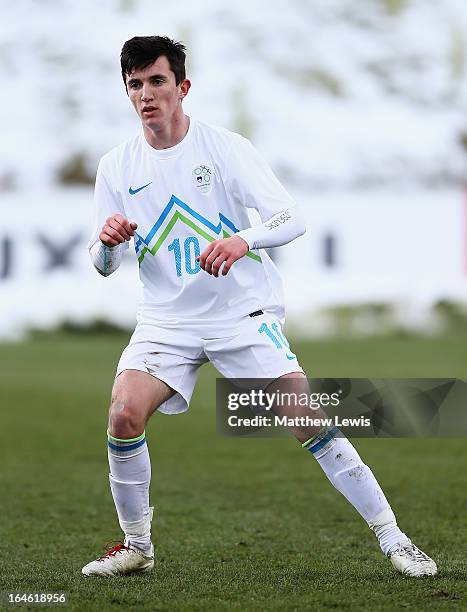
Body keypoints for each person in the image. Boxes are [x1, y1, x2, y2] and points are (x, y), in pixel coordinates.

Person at [82, 35, 437, 578]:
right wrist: (107, 243)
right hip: (166, 321)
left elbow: (291, 218)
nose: (147, 94)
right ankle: (137, 547)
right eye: (135, 84)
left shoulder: (225, 148)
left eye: (157, 81)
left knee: (308, 418)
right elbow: (104, 264)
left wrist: (243, 240)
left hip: (241, 314)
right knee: (123, 415)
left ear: (183, 86)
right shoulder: (116, 165)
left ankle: (395, 538)